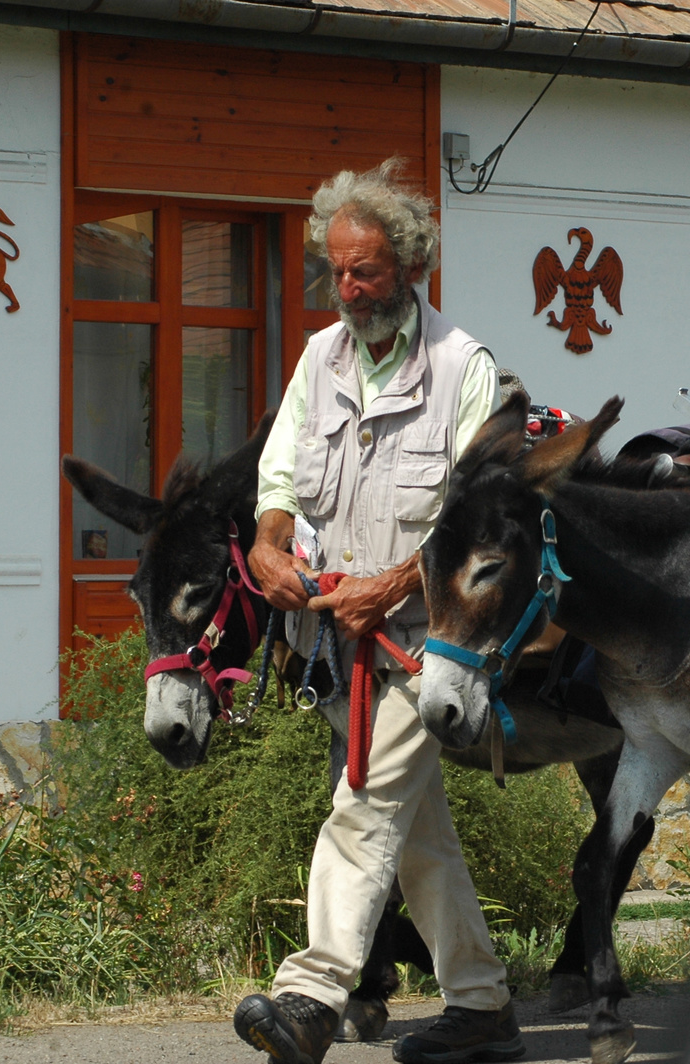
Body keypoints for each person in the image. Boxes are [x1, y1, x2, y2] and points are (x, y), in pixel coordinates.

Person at [235, 160, 522, 1064]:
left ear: (408, 266)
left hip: (431, 642)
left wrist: (391, 584)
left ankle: (312, 995)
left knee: (360, 804)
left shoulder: (463, 368)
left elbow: (476, 520)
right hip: (335, 638)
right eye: (336, 271)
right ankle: (481, 1007)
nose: (347, 288)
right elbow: (279, 475)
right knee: (416, 833)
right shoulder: (319, 357)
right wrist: (270, 546)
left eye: (364, 270)